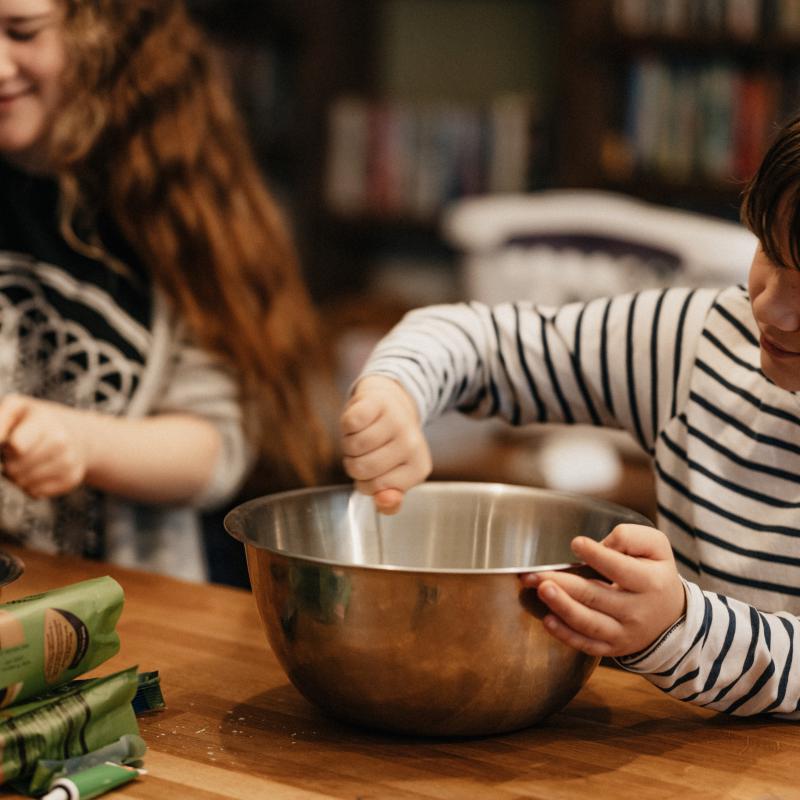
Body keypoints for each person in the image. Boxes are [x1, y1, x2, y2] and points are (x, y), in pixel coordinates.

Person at [340, 109, 800, 719]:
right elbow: (480, 340)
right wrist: (395, 391)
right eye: (770, 251)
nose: (772, 310)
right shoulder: (702, 340)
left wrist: (680, 627)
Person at [0, 0, 329, 580]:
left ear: (104, 35)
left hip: (118, 602)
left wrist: (79, 441)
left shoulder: (180, 207)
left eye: (22, 31)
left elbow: (213, 453)